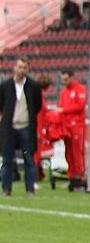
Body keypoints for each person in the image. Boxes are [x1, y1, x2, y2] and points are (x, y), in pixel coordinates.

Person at [0, 57, 42, 196]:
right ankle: (6, 189)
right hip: (9, 128)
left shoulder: (33, 86)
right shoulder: (5, 85)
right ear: (15, 68)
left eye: (24, 67)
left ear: (27, 69)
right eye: (19, 67)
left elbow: (37, 105)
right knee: (7, 160)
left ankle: (30, 189)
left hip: (26, 128)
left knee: (28, 159)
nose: (21, 70)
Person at [57, 70, 88, 191]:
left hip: (77, 125)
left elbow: (80, 106)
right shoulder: (64, 92)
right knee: (68, 152)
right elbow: (60, 107)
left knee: (77, 152)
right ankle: (71, 177)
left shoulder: (80, 89)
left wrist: (64, 110)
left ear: (71, 78)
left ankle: (79, 178)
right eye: (62, 80)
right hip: (66, 125)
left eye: (66, 79)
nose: (64, 82)